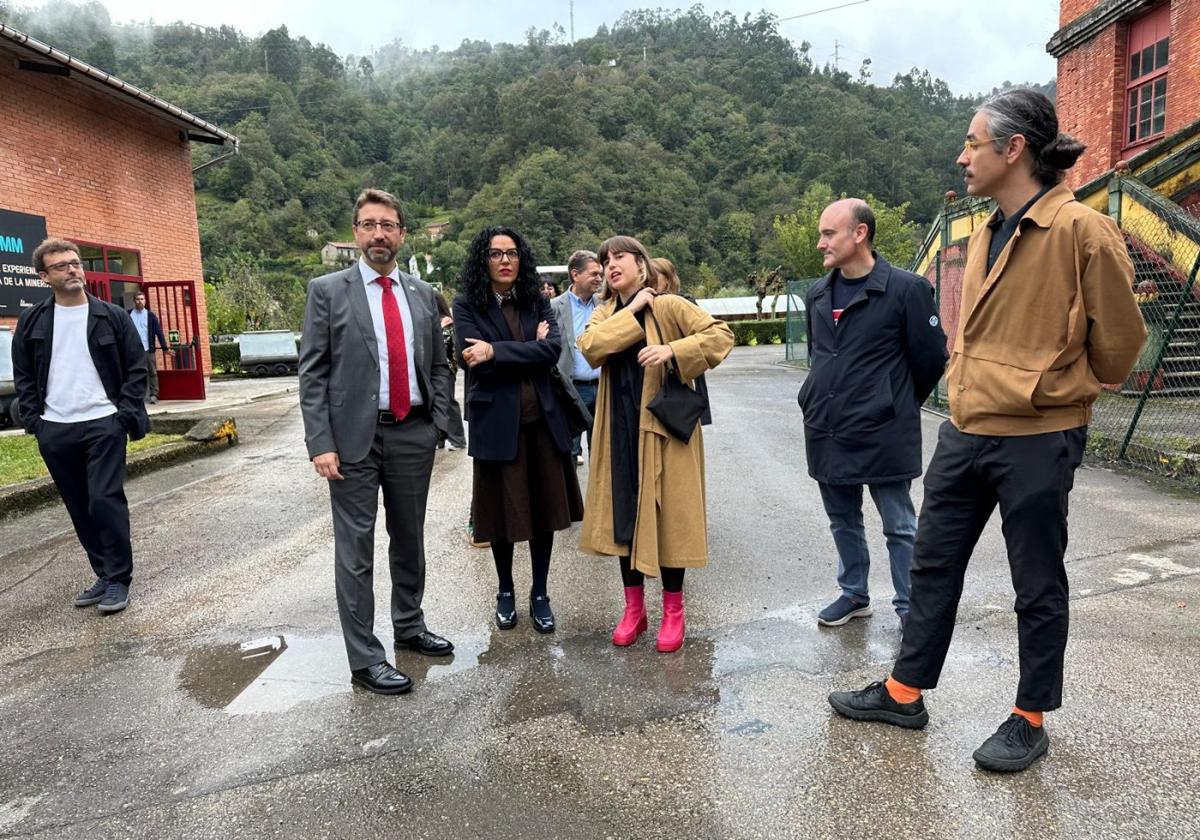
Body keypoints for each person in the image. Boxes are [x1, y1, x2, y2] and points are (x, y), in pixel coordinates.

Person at [828, 89, 1146, 772]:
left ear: (1015, 149)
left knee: (1035, 579)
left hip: (1039, 432)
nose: (961, 155)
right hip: (967, 427)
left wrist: (1052, 380)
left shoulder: (1081, 231)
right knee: (934, 563)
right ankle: (904, 691)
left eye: (972, 143)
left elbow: (1120, 348)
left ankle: (1029, 716)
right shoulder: (982, 233)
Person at [298, 188, 453, 697]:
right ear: (356, 233)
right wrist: (321, 442)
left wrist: (438, 423)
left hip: (412, 432)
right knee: (355, 550)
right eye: (368, 225)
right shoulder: (327, 291)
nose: (378, 234)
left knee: (409, 540)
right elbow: (313, 373)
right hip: (350, 443)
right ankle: (365, 659)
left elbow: (437, 365)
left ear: (402, 234)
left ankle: (409, 625)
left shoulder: (422, 294)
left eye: (387, 225)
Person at [577, 235, 734, 652]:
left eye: (620, 257)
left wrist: (672, 349)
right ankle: (634, 610)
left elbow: (721, 336)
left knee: (671, 518)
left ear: (642, 264)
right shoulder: (606, 312)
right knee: (622, 517)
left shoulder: (669, 305)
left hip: (664, 429)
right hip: (618, 427)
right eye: (605, 260)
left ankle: (674, 612)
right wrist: (631, 311)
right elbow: (591, 348)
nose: (611, 264)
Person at [799, 199, 948, 631]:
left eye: (829, 233)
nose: (820, 242)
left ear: (859, 234)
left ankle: (910, 608)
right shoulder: (818, 294)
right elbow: (820, 356)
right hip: (826, 426)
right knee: (842, 518)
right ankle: (854, 594)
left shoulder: (907, 289)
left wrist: (893, 400)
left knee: (899, 524)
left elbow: (931, 358)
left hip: (884, 428)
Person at [453, 227, 584, 633]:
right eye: (495, 254)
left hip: (542, 422)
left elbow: (552, 350)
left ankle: (540, 593)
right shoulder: (466, 305)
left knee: (544, 512)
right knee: (501, 515)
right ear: (484, 261)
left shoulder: (536, 301)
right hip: (496, 424)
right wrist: (520, 350)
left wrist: (495, 349)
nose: (505, 260)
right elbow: (470, 358)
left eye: (511, 253)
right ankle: (506, 590)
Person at [11, 237, 149, 614]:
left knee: (105, 500)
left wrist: (122, 414)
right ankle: (103, 574)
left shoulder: (112, 316)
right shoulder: (32, 321)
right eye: (61, 266)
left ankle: (120, 579)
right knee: (79, 505)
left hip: (103, 423)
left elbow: (137, 369)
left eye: (75, 263)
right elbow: (23, 374)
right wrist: (37, 421)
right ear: (44, 276)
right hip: (55, 428)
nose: (73, 269)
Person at [550, 250, 603, 467]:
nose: (599, 278)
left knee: (601, 451)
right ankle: (569, 500)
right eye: (594, 274)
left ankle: (599, 500)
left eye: (601, 274)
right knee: (568, 450)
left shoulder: (605, 306)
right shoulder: (554, 307)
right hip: (570, 389)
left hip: (601, 387)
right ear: (575, 275)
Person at [650, 257, 712, 426]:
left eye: (655, 276)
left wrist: (675, 349)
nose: (650, 281)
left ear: (668, 279)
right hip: (655, 369)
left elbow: (709, 335)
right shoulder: (644, 302)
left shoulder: (684, 301)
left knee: (683, 421)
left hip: (682, 368)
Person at [434, 291, 467, 451]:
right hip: (434, 369)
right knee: (436, 404)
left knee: (448, 403)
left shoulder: (447, 323)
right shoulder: (433, 321)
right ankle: (440, 438)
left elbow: (448, 347)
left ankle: (458, 439)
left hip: (447, 369)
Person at [127, 291, 168, 404]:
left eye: (142, 299)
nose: (140, 301)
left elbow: (159, 332)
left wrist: (165, 348)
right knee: (134, 373)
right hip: (133, 350)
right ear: (134, 301)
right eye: (137, 299)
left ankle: (154, 394)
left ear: (145, 301)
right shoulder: (128, 314)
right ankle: (137, 396)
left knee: (152, 372)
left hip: (148, 349)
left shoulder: (150, 316)